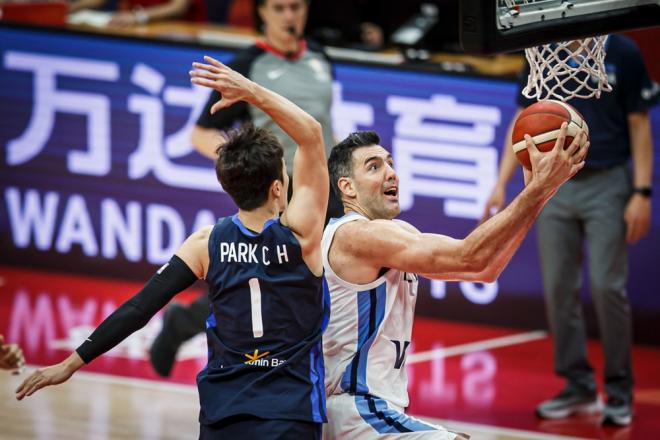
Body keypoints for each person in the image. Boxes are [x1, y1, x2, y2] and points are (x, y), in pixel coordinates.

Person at [16, 55, 330, 439]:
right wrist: (251, 91)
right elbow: (311, 133)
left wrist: (71, 362)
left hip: (223, 414)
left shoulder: (206, 244)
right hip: (290, 413)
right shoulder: (303, 237)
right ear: (279, 188)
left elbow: (140, 307)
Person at [321, 126, 588, 439]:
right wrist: (536, 190)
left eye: (390, 163)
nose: (391, 173)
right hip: (353, 408)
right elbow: (469, 257)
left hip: (372, 409)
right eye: (374, 167)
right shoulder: (357, 236)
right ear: (347, 188)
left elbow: (482, 271)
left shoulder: (393, 232)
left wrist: (540, 195)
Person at [149, 0, 341, 378]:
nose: (290, 16)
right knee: (263, 283)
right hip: (277, 194)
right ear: (262, 13)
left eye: (297, 7)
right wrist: (249, 168)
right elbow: (201, 134)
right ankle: (184, 323)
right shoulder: (246, 65)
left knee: (327, 277)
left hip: (322, 187)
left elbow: (320, 123)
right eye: (280, 8)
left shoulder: (320, 56)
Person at [481, 34, 657, 426]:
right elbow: (525, 118)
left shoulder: (624, 52)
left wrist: (642, 191)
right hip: (553, 185)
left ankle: (619, 390)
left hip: (607, 182)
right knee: (559, 286)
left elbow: (639, 122)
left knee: (607, 286)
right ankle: (577, 384)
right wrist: (500, 181)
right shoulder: (542, 49)